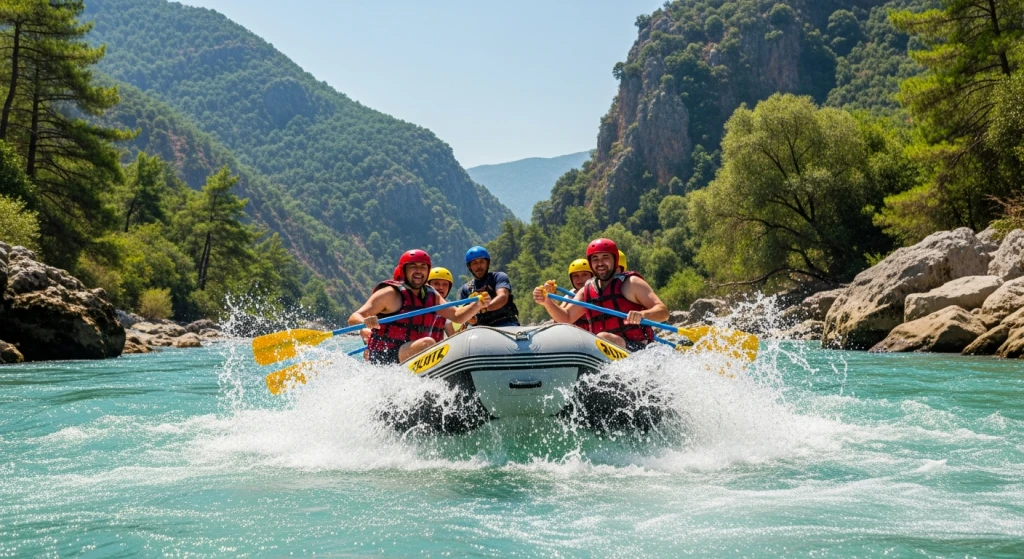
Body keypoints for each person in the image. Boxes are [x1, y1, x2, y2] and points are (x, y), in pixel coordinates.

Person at [349, 250, 488, 364]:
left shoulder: (431, 295)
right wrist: (364, 325)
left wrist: (477, 304)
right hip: (383, 356)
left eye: (423, 267)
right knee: (427, 344)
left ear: (427, 272)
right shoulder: (390, 293)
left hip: (411, 356)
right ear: (404, 271)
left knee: (432, 345)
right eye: (413, 266)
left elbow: (458, 316)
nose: (418, 271)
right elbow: (354, 317)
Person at [533, 238, 668, 351]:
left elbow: (663, 312)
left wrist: (643, 315)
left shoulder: (632, 283)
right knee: (597, 339)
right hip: (604, 349)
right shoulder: (587, 290)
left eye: (605, 257)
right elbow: (566, 318)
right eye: (595, 259)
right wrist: (547, 302)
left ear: (615, 260)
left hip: (638, 350)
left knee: (603, 337)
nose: (600, 263)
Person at [457, 245, 520, 327]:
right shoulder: (466, 289)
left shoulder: (498, 277)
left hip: (506, 322)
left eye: (482, 262)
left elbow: (503, 297)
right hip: (482, 328)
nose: (478, 266)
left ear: (487, 263)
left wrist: (483, 308)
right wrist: (471, 319)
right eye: (475, 263)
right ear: (470, 267)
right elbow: (465, 313)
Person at [563, 259, 593, 330]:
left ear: (592, 276)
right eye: (575, 275)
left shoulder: (598, 292)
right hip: (577, 335)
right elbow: (557, 320)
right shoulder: (569, 295)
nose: (580, 279)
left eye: (584, 274)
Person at [427, 266, 457, 337]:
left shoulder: (447, 309)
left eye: (445, 285)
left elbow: (452, 336)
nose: (441, 287)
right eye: (436, 283)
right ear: (428, 285)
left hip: (436, 347)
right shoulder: (418, 305)